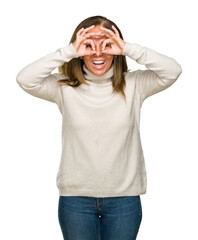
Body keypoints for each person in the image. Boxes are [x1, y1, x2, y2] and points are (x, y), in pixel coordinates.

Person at [16, 15, 182, 240]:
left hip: (124, 199)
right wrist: (69, 51)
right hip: (76, 200)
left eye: (106, 43)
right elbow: (25, 79)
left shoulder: (135, 84)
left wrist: (127, 48)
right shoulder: (64, 87)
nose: (97, 52)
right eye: (89, 44)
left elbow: (172, 71)